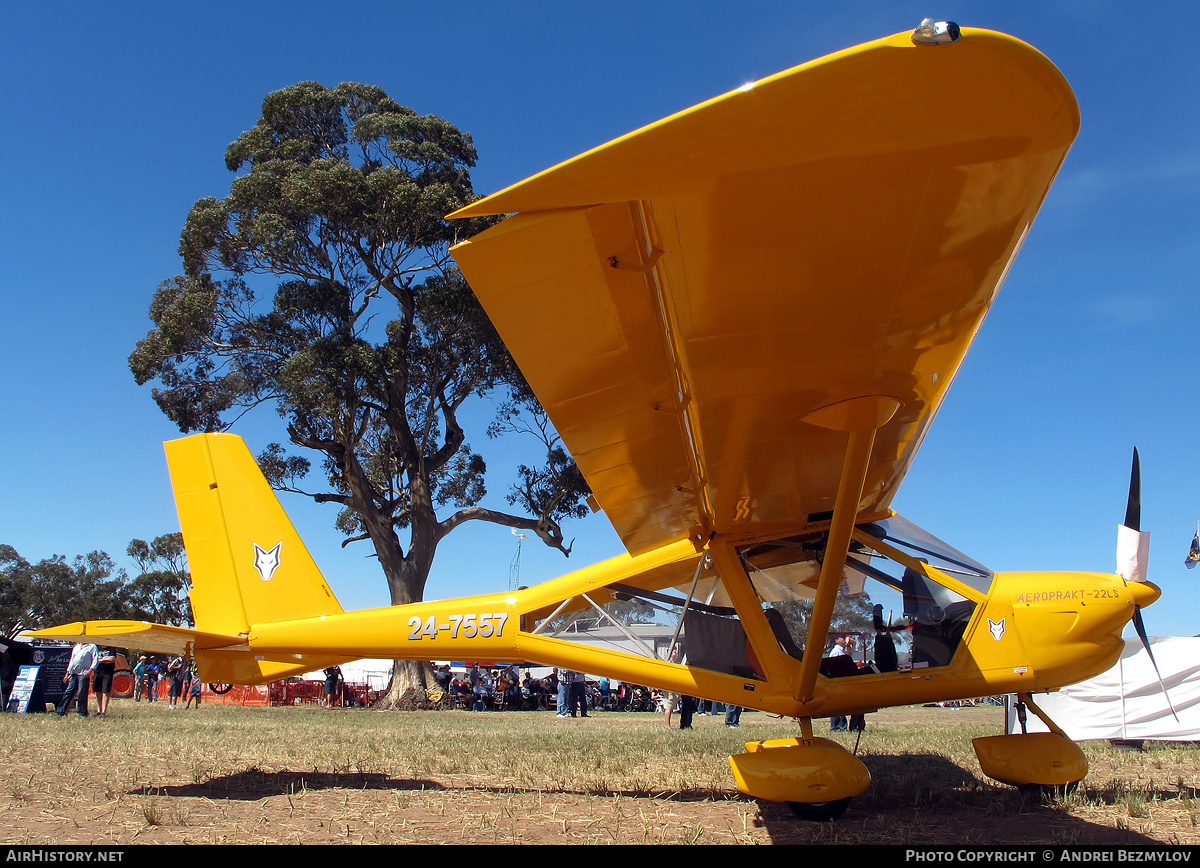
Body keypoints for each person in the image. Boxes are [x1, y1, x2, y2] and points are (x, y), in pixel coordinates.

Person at [57, 642, 98, 717]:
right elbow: (72, 661)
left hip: (84, 673)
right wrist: (67, 673)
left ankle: (82, 713)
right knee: (69, 692)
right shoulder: (76, 647)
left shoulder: (92, 646)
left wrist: (90, 670)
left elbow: (95, 659)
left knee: (82, 693)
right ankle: (61, 711)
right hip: (73, 673)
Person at [828, 637, 848, 732]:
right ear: (836, 641)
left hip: (837, 681)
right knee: (838, 705)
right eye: (842, 639)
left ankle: (838, 726)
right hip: (837, 681)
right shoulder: (837, 652)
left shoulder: (841, 651)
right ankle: (838, 726)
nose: (844, 640)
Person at [92, 647, 116, 716]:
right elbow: (95, 659)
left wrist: (100, 660)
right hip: (98, 671)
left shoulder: (111, 648)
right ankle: (98, 710)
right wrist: (105, 660)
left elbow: (112, 659)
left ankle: (104, 711)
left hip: (108, 672)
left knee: (106, 690)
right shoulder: (96, 647)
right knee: (97, 690)